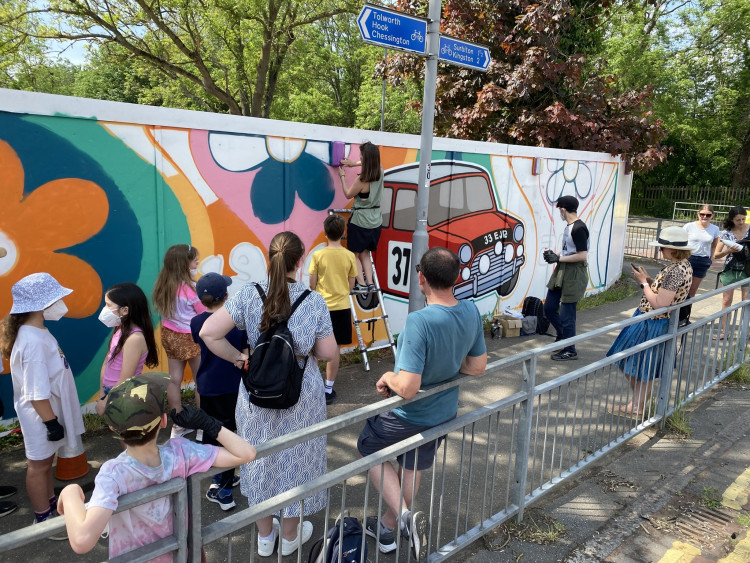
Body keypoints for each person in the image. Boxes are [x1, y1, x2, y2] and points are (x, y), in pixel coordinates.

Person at [199, 231, 337, 557]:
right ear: (300, 260)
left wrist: (239, 359)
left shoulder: (249, 294)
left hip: (255, 396)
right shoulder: (313, 301)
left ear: (269, 257)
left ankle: (265, 537)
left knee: (258, 459)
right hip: (300, 396)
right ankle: (289, 536)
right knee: (296, 459)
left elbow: (208, 332)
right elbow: (329, 352)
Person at [356, 247, 487, 560]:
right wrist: (450, 368)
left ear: (421, 278)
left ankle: (401, 516)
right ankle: (390, 527)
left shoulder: (420, 321)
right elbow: (478, 366)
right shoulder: (470, 311)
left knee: (369, 450)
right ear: (455, 278)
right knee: (412, 465)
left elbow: (409, 387)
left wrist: (389, 376)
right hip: (442, 414)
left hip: (407, 414)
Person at [57, 372, 256, 561]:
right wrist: (208, 422)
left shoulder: (113, 474)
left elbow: (82, 541)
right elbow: (247, 453)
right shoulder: (181, 452)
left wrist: (70, 492)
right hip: (178, 557)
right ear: (163, 421)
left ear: (113, 429)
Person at [0, 272, 85, 530]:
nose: (60, 302)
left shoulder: (36, 332)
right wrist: (51, 423)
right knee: (38, 466)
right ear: (40, 304)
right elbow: (36, 392)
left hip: (46, 414)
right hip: (41, 417)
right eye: (55, 297)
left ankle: (49, 503)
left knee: (46, 463)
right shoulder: (33, 341)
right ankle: (42, 519)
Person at [606, 226, 693, 415]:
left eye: (662, 247)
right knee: (641, 364)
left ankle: (637, 404)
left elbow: (660, 303)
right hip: (653, 319)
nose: (660, 250)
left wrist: (643, 283)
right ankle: (638, 402)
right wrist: (649, 280)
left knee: (633, 361)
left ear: (673, 249)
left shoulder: (675, 271)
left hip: (653, 320)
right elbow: (666, 293)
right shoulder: (682, 266)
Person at [191, 272, 247, 511]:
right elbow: (245, 351)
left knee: (215, 433)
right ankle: (222, 491)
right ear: (226, 296)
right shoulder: (238, 321)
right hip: (233, 386)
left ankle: (219, 478)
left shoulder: (196, 322)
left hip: (207, 387)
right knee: (232, 435)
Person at [152, 244, 207, 437]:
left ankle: (179, 424)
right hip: (190, 336)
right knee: (201, 380)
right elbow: (203, 313)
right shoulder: (192, 290)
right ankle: (203, 426)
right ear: (184, 264)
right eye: (194, 260)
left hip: (169, 335)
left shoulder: (162, 285)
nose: (197, 263)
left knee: (174, 379)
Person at [308, 214, 357, 404]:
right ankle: (328, 389)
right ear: (343, 232)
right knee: (334, 348)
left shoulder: (318, 255)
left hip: (321, 306)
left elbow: (312, 283)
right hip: (342, 307)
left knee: (315, 346)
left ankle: (311, 386)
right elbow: (351, 283)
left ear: (325, 233)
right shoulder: (349, 255)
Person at [95, 282, 159, 416]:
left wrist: (106, 401)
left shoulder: (134, 338)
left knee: (129, 434)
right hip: (112, 392)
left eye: (108, 305)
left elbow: (126, 379)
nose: (105, 309)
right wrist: (102, 393)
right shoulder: (120, 328)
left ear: (125, 310)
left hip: (124, 395)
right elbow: (107, 361)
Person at [543, 195, 590, 361]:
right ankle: (563, 335)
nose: (559, 213)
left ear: (563, 209)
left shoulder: (578, 228)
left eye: (559, 210)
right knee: (549, 307)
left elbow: (582, 256)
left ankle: (570, 349)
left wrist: (559, 259)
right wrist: (554, 256)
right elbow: (569, 251)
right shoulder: (570, 227)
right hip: (563, 269)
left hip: (575, 272)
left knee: (567, 314)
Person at [339, 142, 383, 293]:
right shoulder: (380, 172)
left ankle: (361, 284)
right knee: (365, 253)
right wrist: (353, 164)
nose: (359, 158)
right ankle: (370, 283)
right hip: (376, 221)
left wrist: (343, 177)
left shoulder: (362, 179)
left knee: (354, 255)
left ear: (365, 159)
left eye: (361, 157)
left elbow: (348, 193)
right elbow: (370, 161)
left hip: (361, 221)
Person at [714, 206, 750, 340]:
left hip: (747, 269)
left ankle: (745, 330)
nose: (741, 222)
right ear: (731, 219)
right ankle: (724, 330)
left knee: (746, 301)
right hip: (730, 269)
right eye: (737, 220)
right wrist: (727, 251)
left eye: (743, 219)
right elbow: (716, 255)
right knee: (726, 300)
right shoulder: (726, 233)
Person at [681, 205, 720, 321]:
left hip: (703, 261)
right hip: (688, 259)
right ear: (698, 214)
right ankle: (675, 316)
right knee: (682, 288)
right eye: (702, 214)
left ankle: (685, 317)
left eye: (708, 215)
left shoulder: (715, 229)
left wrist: (711, 259)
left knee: (692, 291)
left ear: (712, 215)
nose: (704, 216)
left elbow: (714, 245)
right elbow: (681, 242)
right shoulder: (689, 226)